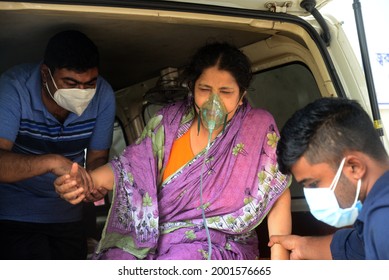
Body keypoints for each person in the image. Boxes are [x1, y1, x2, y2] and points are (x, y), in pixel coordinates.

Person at [55, 42, 291, 260]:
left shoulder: (257, 126)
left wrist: (280, 262)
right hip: (156, 236)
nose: (213, 102)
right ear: (192, 88)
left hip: (218, 245)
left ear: (242, 96)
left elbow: (277, 192)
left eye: (226, 92)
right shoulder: (168, 122)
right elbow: (131, 169)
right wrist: (84, 181)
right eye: (205, 89)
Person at [0, 30, 116, 260]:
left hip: (70, 217)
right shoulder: (13, 88)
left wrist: (94, 184)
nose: (82, 92)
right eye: (71, 83)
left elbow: (97, 159)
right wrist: (52, 162)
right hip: (13, 215)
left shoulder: (103, 95)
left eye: (90, 83)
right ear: (46, 74)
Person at [268, 97, 389, 260]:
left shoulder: (383, 221)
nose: (311, 194)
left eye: (313, 184)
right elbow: (358, 247)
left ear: (354, 167)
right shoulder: (376, 215)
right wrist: (301, 246)